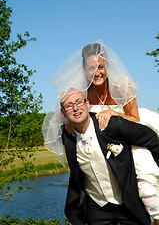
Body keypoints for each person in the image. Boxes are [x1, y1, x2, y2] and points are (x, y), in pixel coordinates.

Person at [42, 40, 159, 222]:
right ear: (84, 69)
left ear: (108, 66)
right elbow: (74, 109)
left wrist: (113, 114)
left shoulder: (121, 84)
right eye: (90, 68)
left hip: (129, 129)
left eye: (100, 67)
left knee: (148, 191)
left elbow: (135, 118)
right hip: (100, 137)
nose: (96, 73)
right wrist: (68, 123)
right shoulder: (83, 90)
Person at [60, 88, 159, 225]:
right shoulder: (66, 136)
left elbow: (151, 138)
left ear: (88, 104)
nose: (76, 108)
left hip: (127, 203)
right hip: (96, 207)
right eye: (69, 106)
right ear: (63, 112)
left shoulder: (112, 125)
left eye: (79, 102)